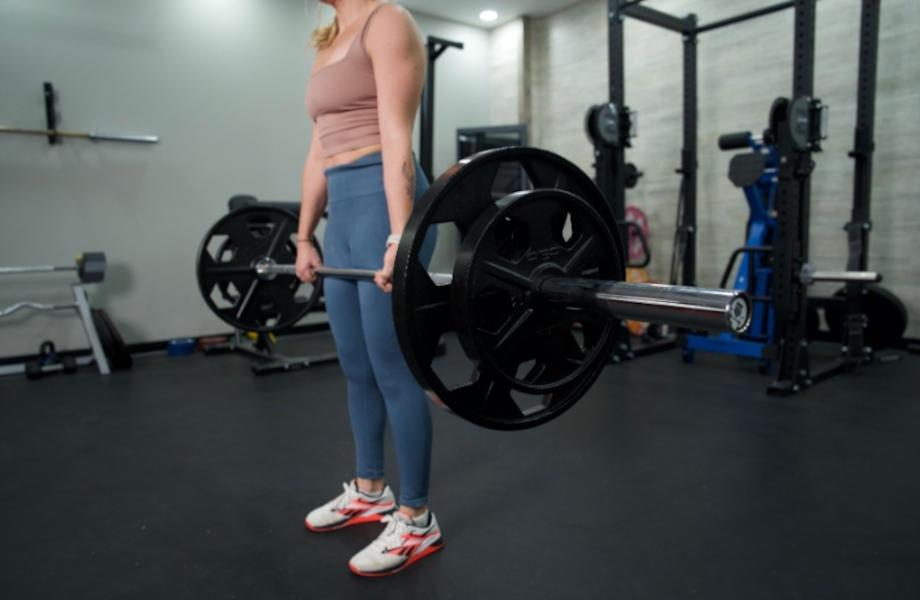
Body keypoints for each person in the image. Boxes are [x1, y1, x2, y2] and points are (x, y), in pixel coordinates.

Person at [296, 0, 442, 577]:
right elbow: (317, 151)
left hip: (388, 202)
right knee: (355, 363)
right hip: (344, 213)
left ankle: (416, 518)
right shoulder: (328, 38)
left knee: (391, 366)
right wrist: (306, 236)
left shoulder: (388, 21)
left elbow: (395, 134)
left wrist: (401, 233)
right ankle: (369, 489)